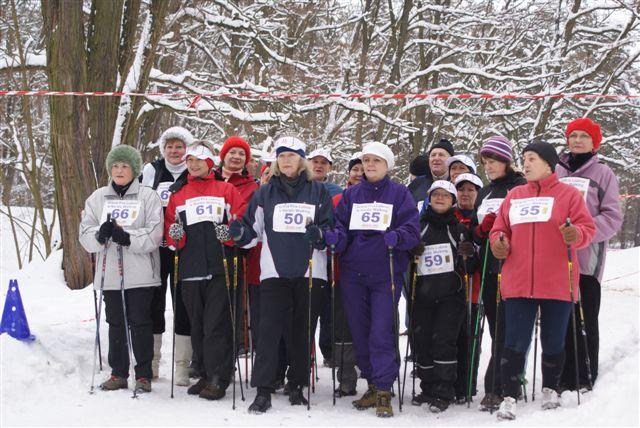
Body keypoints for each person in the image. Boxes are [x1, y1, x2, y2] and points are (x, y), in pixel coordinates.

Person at [490, 140, 595, 420]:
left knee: (553, 340)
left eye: (532, 158)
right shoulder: (514, 195)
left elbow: (586, 228)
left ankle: (550, 388)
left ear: (549, 163)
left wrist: (577, 235)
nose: (526, 163)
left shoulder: (570, 196)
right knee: (514, 342)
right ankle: (509, 395)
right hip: (519, 280)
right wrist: (499, 242)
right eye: (524, 158)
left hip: (557, 281)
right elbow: (500, 229)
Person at [229, 136, 333, 413]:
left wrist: (321, 236)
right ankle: (263, 389)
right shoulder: (265, 193)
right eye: (282, 155)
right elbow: (253, 234)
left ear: (302, 160)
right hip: (274, 271)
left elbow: (331, 232)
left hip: (312, 271)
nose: (287, 160)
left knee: (302, 330)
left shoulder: (318, 192)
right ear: (276, 161)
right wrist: (240, 234)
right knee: (268, 332)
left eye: (292, 155)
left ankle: (296, 384)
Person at [324, 142, 420, 417]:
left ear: (387, 164)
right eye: (366, 160)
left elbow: (412, 230)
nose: (369, 165)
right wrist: (335, 239)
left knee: (381, 331)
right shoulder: (352, 194)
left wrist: (399, 237)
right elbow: (341, 229)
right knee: (360, 332)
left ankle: (384, 388)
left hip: (385, 272)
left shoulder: (399, 194)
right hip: (354, 273)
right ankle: (372, 383)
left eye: (375, 160)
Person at [163, 140, 247, 400]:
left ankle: (218, 377)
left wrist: (230, 234)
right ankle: (203, 372)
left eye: (199, 160)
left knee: (216, 325)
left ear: (210, 162)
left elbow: (240, 223)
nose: (193, 164)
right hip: (190, 268)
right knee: (197, 325)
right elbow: (171, 233)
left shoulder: (225, 189)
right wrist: (175, 236)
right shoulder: (179, 194)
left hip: (220, 267)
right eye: (190, 160)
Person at [80, 145, 163, 393]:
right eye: (115, 166)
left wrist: (126, 237)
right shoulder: (97, 198)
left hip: (140, 274)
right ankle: (118, 372)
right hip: (110, 275)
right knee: (115, 322)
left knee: (140, 323)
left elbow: (154, 233)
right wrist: (100, 235)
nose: (119, 170)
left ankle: (143, 374)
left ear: (135, 170)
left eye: (125, 166)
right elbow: (85, 235)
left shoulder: (148, 196)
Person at [556, 118, 623, 391]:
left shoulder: (603, 173)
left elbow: (613, 217)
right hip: (556, 258)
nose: (578, 140)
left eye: (584, 136)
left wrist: (584, 232)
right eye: (573, 135)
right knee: (560, 317)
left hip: (586, 258)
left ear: (595, 142)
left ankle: (584, 375)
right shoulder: (555, 170)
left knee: (584, 316)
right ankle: (561, 375)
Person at [411, 180, 477, 413]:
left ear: (453, 201)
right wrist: (412, 252)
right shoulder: (418, 226)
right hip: (423, 296)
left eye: (445, 196)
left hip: (451, 296)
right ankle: (427, 387)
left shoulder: (458, 229)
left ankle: (444, 390)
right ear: (429, 199)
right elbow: (405, 261)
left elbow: (470, 266)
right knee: (423, 342)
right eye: (435, 195)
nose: (440, 199)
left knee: (444, 342)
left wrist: (469, 253)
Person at [473, 135, 527, 411]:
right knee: (497, 329)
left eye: (493, 161)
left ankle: (501, 386)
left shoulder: (520, 187)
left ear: (506, 160)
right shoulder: (485, 191)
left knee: (510, 329)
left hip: (513, 266)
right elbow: (475, 226)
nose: (488, 166)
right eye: (485, 162)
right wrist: (479, 232)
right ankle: (502, 382)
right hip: (488, 267)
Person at [140, 126, 192, 384]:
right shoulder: (151, 170)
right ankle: (151, 363)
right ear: (163, 149)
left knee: (183, 304)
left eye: (179, 146)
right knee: (154, 304)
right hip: (156, 247)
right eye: (170, 146)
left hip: (185, 248)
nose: (174, 151)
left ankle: (182, 367)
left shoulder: (193, 169)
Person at [216, 136, 260, 356]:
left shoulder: (251, 186)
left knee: (233, 302)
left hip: (236, 250)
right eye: (232, 152)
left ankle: (237, 346)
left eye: (241, 154)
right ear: (223, 155)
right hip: (205, 248)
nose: (236, 157)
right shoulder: (210, 178)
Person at [330, 152, 363, 397]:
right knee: (343, 328)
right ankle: (346, 378)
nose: (360, 173)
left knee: (376, 326)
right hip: (343, 272)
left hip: (376, 275)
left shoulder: (386, 198)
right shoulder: (339, 199)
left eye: (365, 168)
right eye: (356, 169)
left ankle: (377, 378)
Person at [308, 147, 343, 366]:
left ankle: (329, 351)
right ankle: (306, 351)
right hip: (304, 255)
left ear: (329, 166)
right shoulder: (301, 188)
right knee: (307, 307)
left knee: (329, 309)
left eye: (324, 162)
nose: (319, 165)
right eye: (315, 161)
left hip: (330, 257)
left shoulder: (336, 190)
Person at [452, 172, 484, 403]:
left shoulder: (480, 217)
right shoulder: (449, 216)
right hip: (450, 287)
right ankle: (451, 383)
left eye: (470, 190)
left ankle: (467, 385)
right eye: (461, 189)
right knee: (452, 338)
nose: (465, 194)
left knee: (471, 338)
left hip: (474, 287)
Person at [408, 138, 455, 205]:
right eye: (433, 155)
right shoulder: (417, 183)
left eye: (441, 155)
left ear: (450, 160)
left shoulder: (456, 184)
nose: (436, 158)